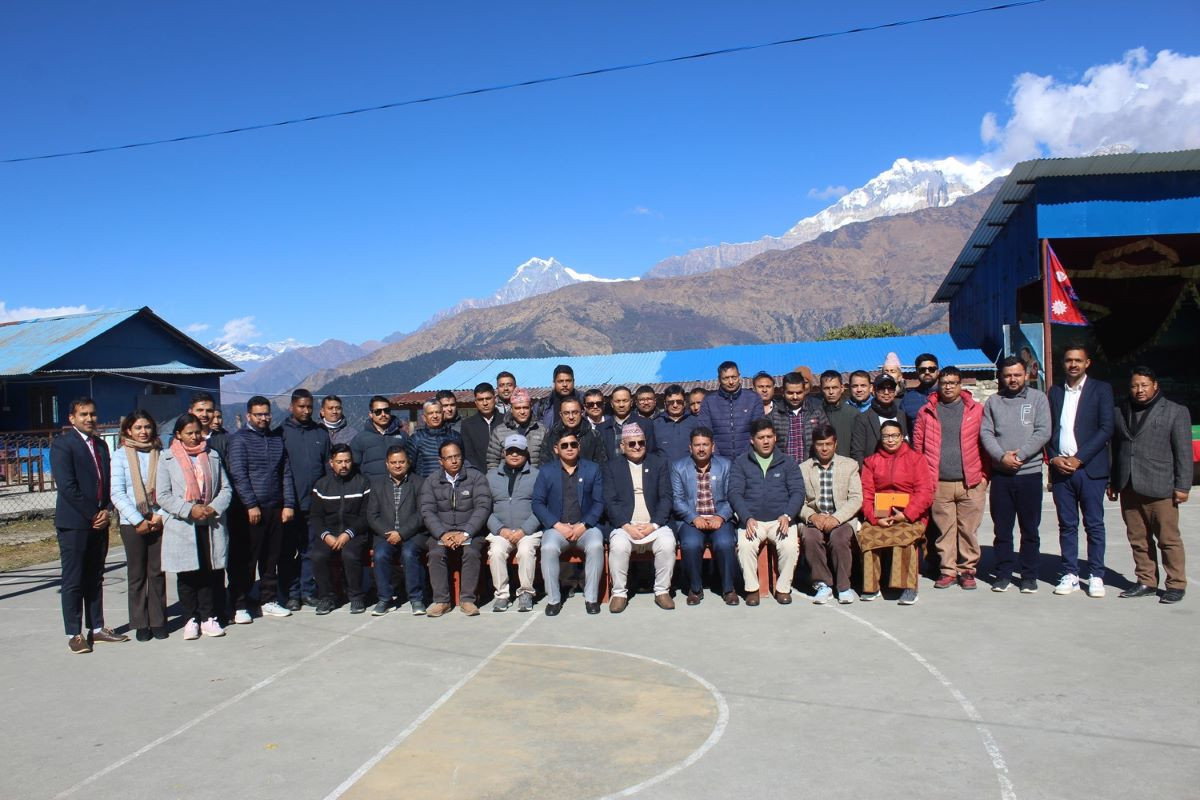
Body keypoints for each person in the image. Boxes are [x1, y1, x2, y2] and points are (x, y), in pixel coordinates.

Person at [1109, 366, 1192, 604]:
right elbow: (1114, 448)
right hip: (1128, 485)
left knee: (1168, 539)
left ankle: (1175, 584)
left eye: (1144, 385)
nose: (1139, 390)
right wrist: (1112, 481)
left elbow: (1183, 452)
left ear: (1155, 385)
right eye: (1135, 386)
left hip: (1161, 486)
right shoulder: (1120, 410)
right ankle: (1146, 580)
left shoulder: (1175, 411)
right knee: (1138, 538)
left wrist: (1183, 486)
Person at [52, 397, 127, 653]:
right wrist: (92, 513)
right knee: (73, 579)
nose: (89, 419)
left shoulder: (101, 445)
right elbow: (67, 486)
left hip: (99, 521)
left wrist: (106, 509)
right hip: (74, 523)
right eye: (83, 414)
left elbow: (106, 482)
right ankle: (74, 633)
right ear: (72, 418)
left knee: (95, 577)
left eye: (92, 414)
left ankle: (97, 628)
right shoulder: (63, 445)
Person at [158, 413, 233, 640]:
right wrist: (189, 509)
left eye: (197, 432)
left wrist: (213, 507)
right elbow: (163, 495)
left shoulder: (212, 455)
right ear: (178, 434)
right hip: (183, 524)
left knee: (209, 572)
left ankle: (208, 617)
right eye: (189, 433)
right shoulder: (167, 458)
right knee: (187, 574)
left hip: (209, 523)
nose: (194, 437)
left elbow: (225, 488)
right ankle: (191, 618)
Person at [1047, 346, 1114, 598]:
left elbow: (1106, 428)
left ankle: (1096, 574)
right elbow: (1049, 430)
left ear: (1087, 363)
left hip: (1090, 470)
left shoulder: (1101, 390)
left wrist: (1079, 458)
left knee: (1094, 524)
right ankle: (1070, 573)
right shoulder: (1055, 392)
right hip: (1061, 470)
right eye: (1069, 360)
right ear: (1063, 363)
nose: (1073, 364)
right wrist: (1054, 457)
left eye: (1078, 360)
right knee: (1067, 525)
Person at [981, 356, 1052, 593]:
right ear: (1001, 377)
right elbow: (986, 433)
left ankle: (1029, 575)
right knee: (1002, 529)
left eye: (1017, 374)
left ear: (1027, 375)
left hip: (1029, 474)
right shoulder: (993, 401)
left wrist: (1019, 456)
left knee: (1029, 529)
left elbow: (1043, 432)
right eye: (1008, 375)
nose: (1013, 379)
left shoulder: (1038, 399)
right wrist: (1002, 457)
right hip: (1001, 476)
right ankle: (1003, 573)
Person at [912, 367, 988, 590]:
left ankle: (967, 570)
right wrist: (925, 479)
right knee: (944, 531)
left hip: (970, 482)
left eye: (953, 383)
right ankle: (947, 570)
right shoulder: (926, 411)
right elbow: (918, 447)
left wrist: (984, 476)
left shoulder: (976, 410)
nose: (948, 387)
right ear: (939, 384)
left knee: (968, 530)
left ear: (960, 384)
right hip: (939, 482)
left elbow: (986, 443)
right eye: (944, 383)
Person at [226, 395, 297, 622]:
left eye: (266, 414)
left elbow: (285, 473)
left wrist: (288, 504)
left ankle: (268, 600)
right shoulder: (239, 440)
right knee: (246, 559)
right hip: (249, 510)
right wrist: (250, 504)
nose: (263, 418)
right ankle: (240, 604)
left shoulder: (276, 439)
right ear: (249, 416)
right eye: (258, 415)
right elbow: (238, 474)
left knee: (271, 558)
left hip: (275, 507)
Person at [729, 419, 805, 605]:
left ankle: (783, 589)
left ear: (775, 438)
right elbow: (734, 493)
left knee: (789, 547)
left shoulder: (788, 462)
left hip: (780, 520)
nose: (765, 441)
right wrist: (746, 517)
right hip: (752, 520)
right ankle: (752, 589)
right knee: (745, 546)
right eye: (761, 437)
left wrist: (788, 515)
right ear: (752, 440)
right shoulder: (741, 463)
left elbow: (798, 492)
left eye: (769, 437)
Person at [603, 423, 677, 612]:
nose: (637, 447)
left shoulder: (658, 463)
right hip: (625, 526)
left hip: (654, 525)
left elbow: (666, 497)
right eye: (632, 443)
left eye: (641, 443)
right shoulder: (612, 467)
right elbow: (610, 501)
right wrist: (626, 526)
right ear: (622, 446)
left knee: (667, 543)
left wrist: (654, 525)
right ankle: (619, 593)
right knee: (618, 546)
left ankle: (662, 591)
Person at [531, 430, 606, 616]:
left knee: (596, 545)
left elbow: (599, 502)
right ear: (556, 449)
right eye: (564, 445)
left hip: (586, 527)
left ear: (579, 447)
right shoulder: (546, 471)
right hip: (557, 528)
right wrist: (557, 525)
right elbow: (537, 503)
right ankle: (553, 600)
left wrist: (583, 525)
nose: (569, 448)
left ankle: (591, 598)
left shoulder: (593, 469)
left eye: (573, 444)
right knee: (548, 548)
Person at [859, 420, 934, 605]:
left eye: (894, 436)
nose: (890, 440)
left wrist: (907, 515)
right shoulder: (871, 462)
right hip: (880, 516)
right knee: (868, 535)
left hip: (910, 516)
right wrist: (874, 519)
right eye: (886, 436)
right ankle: (871, 586)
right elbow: (866, 494)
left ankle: (908, 587)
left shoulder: (916, 459)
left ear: (902, 437)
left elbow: (925, 492)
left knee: (904, 538)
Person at [110, 410, 167, 641]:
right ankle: (141, 623)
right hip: (131, 522)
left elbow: (169, 489)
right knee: (136, 573)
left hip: (158, 519)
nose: (143, 432)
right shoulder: (120, 456)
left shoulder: (161, 454)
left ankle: (158, 620)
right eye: (138, 428)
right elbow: (117, 492)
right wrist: (138, 520)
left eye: (147, 427)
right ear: (128, 431)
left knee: (157, 572)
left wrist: (160, 515)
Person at [419, 441, 492, 617]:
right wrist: (442, 534)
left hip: (470, 531)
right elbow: (427, 510)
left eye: (457, 456)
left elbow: (483, 507)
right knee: (435, 553)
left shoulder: (476, 477)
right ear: (441, 461)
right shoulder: (431, 481)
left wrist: (466, 532)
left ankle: (468, 600)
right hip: (442, 532)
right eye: (449, 458)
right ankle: (442, 601)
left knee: (471, 552)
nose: (454, 461)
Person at [671, 426, 739, 606]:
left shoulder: (726, 465)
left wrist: (721, 516)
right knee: (690, 544)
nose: (701, 449)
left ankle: (728, 589)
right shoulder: (678, 467)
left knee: (725, 543)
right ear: (690, 447)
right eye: (697, 445)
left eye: (705, 445)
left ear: (713, 446)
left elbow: (733, 496)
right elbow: (677, 500)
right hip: (692, 520)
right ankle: (695, 589)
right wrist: (694, 517)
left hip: (719, 518)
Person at [278, 388, 329, 611]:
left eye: (309, 407)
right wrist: (285, 502)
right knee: (288, 551)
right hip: (289, 505)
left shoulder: (320, 433)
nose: (306, 411)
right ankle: (291, 593)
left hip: (314, 505)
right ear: (292, 407)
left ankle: (307, 591)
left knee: (310, 550)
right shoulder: (280, 433)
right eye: (301, 407)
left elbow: (327, 467)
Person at [799, 425, 862, 604]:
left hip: (842, 518)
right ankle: (823, 585)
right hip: (815, 518)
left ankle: (844, 586)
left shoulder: (849, 465)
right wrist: (813, 517)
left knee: (839, 538)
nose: (824, 448)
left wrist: (836, 518)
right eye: (820, 444)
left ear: (835, 444)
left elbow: (856, 498)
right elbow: (799, 501)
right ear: (814, 445)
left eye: (828, 444)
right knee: (810, 537)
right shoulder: (803, 468)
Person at [308, 444, 373, 614]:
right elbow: (315, 516)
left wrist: (348, 534)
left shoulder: (363, 482)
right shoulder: (321, 485)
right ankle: (326, 598)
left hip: (355, 533)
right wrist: (326, 535)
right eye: (339, 462)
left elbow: (365, 516)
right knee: (318, 555)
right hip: (329, 533)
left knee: (349, 555)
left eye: (347, 461)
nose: (344, 465)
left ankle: (356, 596)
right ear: (331, 463)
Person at [366, 446, 427, 615]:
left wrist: (401, 533)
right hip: (385, 534)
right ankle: (385, 598)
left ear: (408, 463)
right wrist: (389, 533)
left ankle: (416, 598)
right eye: (393, 462)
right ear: (387, 464)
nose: (398, 465)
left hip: (412, 534)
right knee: (380, 555)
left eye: (401, 462)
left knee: (409, 553)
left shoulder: (419, 483)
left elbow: (421, 513)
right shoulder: (377, 484)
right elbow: (372, 515)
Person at [485, 434, 542, 613]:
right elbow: (484, 508)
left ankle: (526, 593)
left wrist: (524, 530)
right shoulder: (491, 476)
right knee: (496, 552)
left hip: (528, 531)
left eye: (519, 451)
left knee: (525, 551)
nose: (514, 455)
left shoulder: (537, 475)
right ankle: (502, 595)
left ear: (526, 453)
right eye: (510, 451)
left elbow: (542, 507)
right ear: (504, 453)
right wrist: (500, 529)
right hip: (501, 531)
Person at [697, 361, 763, 459]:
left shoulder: (753, 398)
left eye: (734, 377)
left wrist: (748, 457)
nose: (731, 382)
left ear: (739, 376)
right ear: (719, 379)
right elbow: (705, 433)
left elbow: (758, 430)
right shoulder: (708, 401)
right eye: (726, 378)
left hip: (749, 458)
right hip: (718, 460)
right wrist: (718, 459)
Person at [770, 370, 828, 464]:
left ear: (804, 391)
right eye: (790, 393)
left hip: (810, 466)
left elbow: (826, 438)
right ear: (783, 392)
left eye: (799, 393)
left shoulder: (816, 411)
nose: (795, 397)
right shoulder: (775, 414)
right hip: (783, 467)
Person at [850, 374, 909, 465]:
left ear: (895, 392)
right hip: (873, 470)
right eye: (881, 389)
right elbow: (857, 452)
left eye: (890, 388)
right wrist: (868, 471)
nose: (886, 392)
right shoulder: (863, 419)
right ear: (874, 391)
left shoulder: (901, 415)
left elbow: (906, 443)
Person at [350, 395, 411, 479]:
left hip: (398, 484)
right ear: (370, 414)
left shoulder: (402, 436)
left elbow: (410, 462)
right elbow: (353, 467)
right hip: (371, 485)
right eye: (378, 412)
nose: (383, 414)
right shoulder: (360, 439)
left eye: (386, 410)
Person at [487, 388, 547, 469]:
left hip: (535, 476)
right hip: (507, 476)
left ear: (531, 408)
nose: (522, 412)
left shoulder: (541, 430)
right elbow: (492, 461)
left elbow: (547, 460)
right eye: (518, 408)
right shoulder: (499, 431)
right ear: (511, 409)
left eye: (525, 408)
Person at [597, 386, 656, 461]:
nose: (621, 405)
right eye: (617, 401)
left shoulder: (645, 424)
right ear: (612, 404)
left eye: (625, 401)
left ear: (631, 402)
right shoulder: (602, 428)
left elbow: (651, 453)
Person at [540, 396, 605, 464]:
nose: (571, 417)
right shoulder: (551, 436)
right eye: (566, 413)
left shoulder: (594, 436)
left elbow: (601, 464)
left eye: (575, 412)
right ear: (561, 414)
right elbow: (544, 464)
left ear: (582, 413)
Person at [410, 399, 465, 477]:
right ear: (424, 417)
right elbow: (409, 467)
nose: (435, 416)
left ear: (443, 414)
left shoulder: (455, 436)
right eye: (430, 413)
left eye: (438, 412)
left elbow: (463, 461)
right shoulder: (416, 439)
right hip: (425, 483)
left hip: (452, 482)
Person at [461, 382, 502, 473]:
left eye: (488, 398)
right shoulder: (468, 425)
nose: (485, 403)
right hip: (479, 475)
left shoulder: (505, 421)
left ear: (495, 399)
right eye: (480, 399)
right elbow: (469, 455)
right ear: (476, 402)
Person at [653, 384, 700, 465]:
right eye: (671, 402)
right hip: (664, 471)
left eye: (679, 402)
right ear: (665, 404)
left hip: (690, 469)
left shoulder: (695, 422)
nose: (675, 405)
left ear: (684, 403)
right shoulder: (656, 424)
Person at [818, 370, 857, 456]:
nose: (831, 392)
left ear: (842, 388)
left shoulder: (853, 414)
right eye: (826, 388)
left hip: (847, 462)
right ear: (821, 389)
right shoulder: (815, 413)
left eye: (835, 387)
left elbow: (857, 446)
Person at [538, 364, 584, 429]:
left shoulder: (585, 401)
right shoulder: (542, 406)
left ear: (573, 381)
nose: (565, 384)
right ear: (554, 383)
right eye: (560, 381)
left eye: (568, 381)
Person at [901, 353, 940, 421]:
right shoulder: (907, 400)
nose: (927, 372)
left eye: (931, 369)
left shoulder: (948, 395)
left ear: (938, 371)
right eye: (922, 369)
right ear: (917, 372)